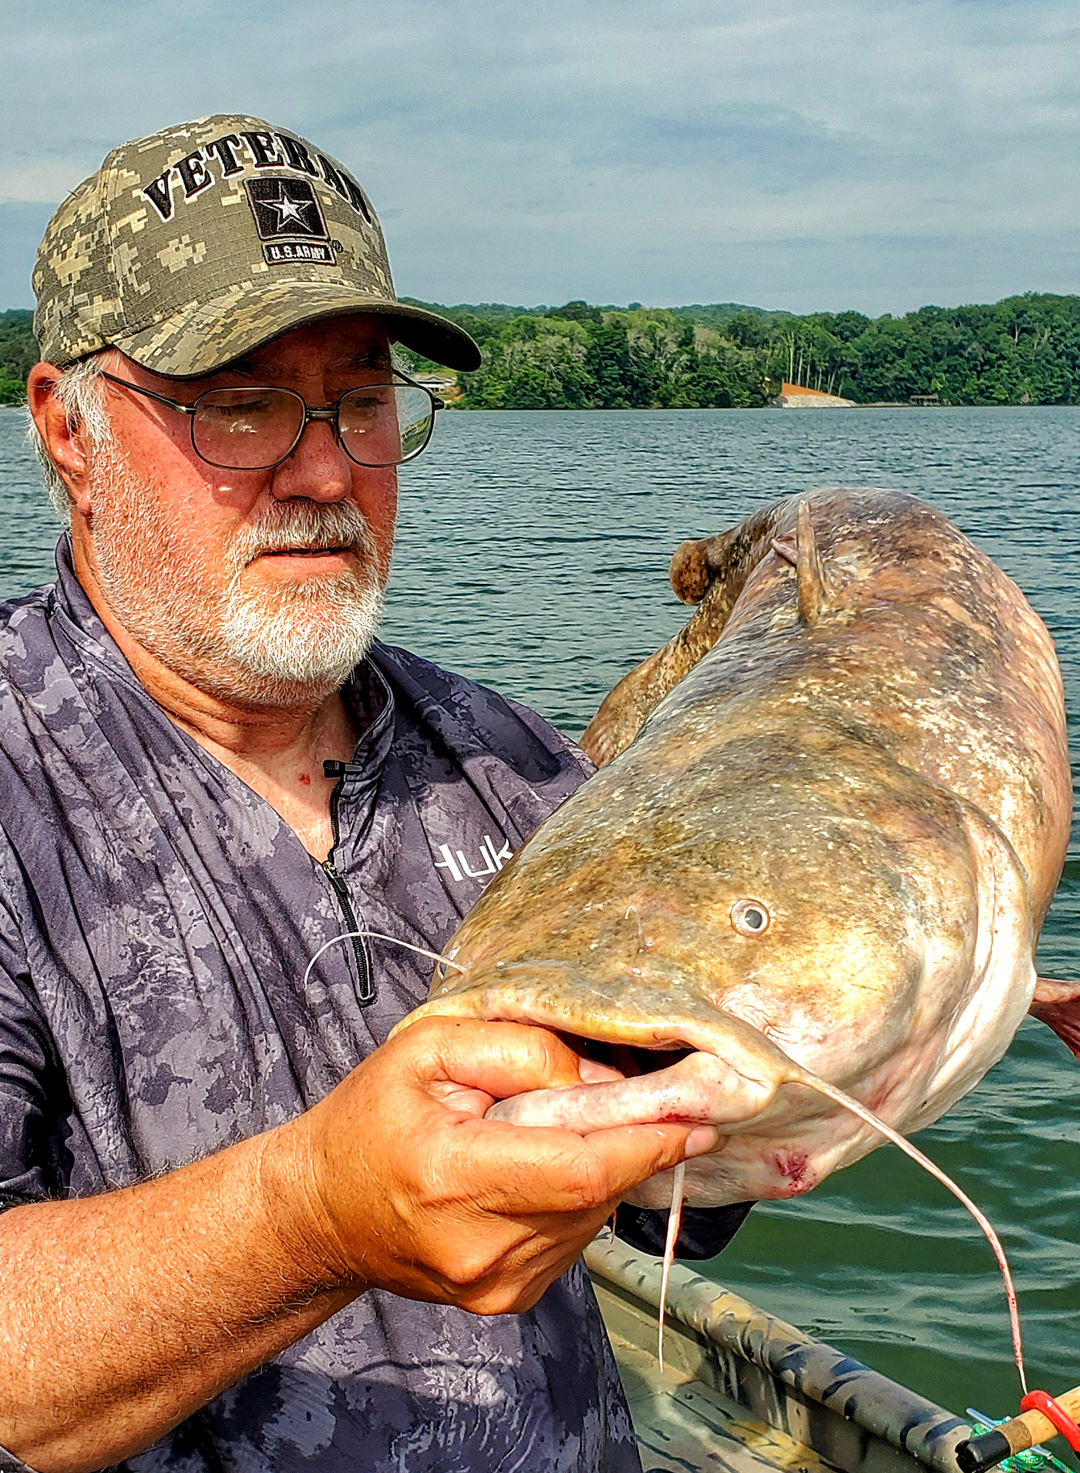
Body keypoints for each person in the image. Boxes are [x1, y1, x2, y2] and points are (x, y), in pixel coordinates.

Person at [0, 115, 749, 1473]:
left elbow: (671, 1197)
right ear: (67, 428)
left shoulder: (514, 764)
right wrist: (314, 1216)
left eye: (361, 399)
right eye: (239, 401)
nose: (329, 467)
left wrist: (874, 1023)